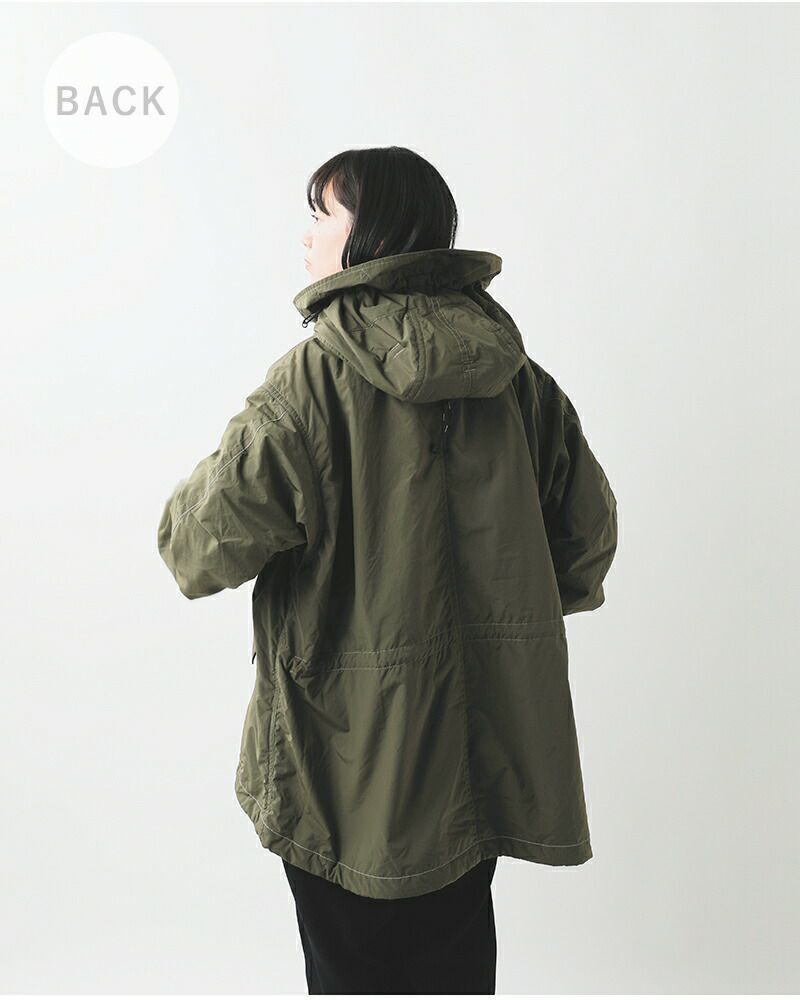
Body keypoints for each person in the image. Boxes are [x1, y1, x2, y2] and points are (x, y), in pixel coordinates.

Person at [157, 145, 618, 994]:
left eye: (322, 215)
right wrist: (498, 620)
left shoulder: (312, 379)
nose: (306, 237)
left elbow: (195, 549)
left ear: (373, 234)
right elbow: (586, 545)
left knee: (349, 971)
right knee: (455, 967)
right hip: (479, 751)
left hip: (340, 760)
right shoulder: (516, 378)